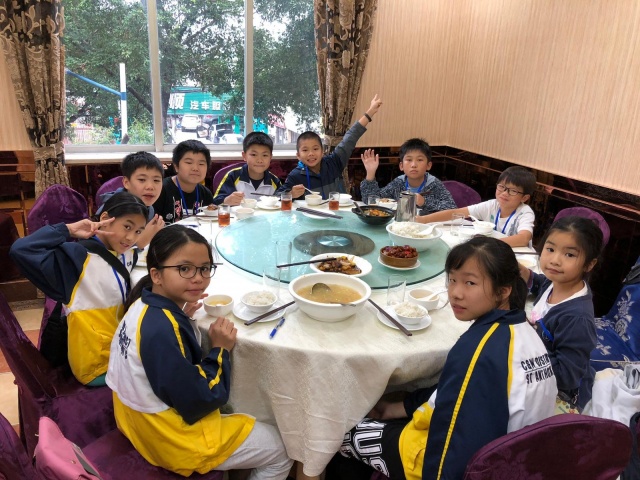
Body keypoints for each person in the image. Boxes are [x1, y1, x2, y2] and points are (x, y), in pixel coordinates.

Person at [332, 237, 557, 480]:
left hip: (465, 465)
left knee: (340, 431)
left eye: (470, 283)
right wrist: (398, 408)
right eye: (452, 279)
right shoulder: (524, 330)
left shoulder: (478, 348)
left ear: (503, 291)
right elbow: (457, 392)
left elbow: (454, 448)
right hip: (522, 459)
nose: (455, 293)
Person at [107, 226, 293, 479]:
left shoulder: (141, 304)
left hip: (131, 420)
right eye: (184, 269)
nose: (198, 278)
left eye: (205, 268)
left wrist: (182, 316)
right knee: (280, 449)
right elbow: (200, 400)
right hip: (166, 437)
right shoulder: (163, 329)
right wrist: (219, 349)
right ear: (156, 275)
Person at [10, 192, 149, 386]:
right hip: (96, 363)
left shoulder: (126, 254)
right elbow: (20, 250)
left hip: (121, 348)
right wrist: (68, 230)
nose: (131, 237)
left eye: (138, 231)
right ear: (105, 218)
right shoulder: (76, 259)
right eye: (127, 227)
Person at [520, 216, 603, 410]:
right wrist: (524, 272)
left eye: (569, 255)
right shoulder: (557, 282)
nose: (555, 260)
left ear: (589, 264)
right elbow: (542, 284)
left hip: (558, 391)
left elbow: (566, 376)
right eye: (550, 249)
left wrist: (524, 344)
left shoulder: (576, 319)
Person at [279, 94, 383, 200]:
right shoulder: (295, 176)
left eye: (315, 149)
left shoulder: (333, 162)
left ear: (322, 151)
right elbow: (276, 197)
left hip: (337, 210)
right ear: (298, 155)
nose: (311, 153)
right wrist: (290, 194)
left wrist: (370, 112)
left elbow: (350, 137)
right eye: (305, 150)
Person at [416, 166, 537, 247]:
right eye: (501, 187)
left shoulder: (525, 212)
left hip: (517, 256)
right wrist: (424, 220)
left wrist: (490, 244)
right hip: (493, 251)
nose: (505, 193)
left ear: (524, 198)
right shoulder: (492, 205)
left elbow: (524, 238)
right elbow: (457, 213)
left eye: (513, 191)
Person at [359, 138, 456, 214]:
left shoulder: (434, 184)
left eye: (420, 160)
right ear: (401, 166)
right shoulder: (399, 183)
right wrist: (370, 172)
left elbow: (452, 209)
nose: (413, 165)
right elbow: (372, 201)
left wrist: (424, 202)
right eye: (409, 160)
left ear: (428, 165)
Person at [98, 151, 165, 247]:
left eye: (156, 180)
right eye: (142, 180)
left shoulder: (149, 209)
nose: (150, 187)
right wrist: (140, 243)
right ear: (126, 182)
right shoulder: (113, 208)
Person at [212, 132, 283, 205]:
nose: (259, 160)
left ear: (270, 157)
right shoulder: (233, 176)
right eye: (254, 154)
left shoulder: (275, 182)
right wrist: (226, 201)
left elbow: (281, 203)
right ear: (244, 156)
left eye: (265, 155)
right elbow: (215, 203)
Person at [153, 140, 215, 223]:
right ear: (176, 166)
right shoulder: (160, 190)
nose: (195, 168)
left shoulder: (206, 194)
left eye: (201, 164)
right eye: (189, 162)